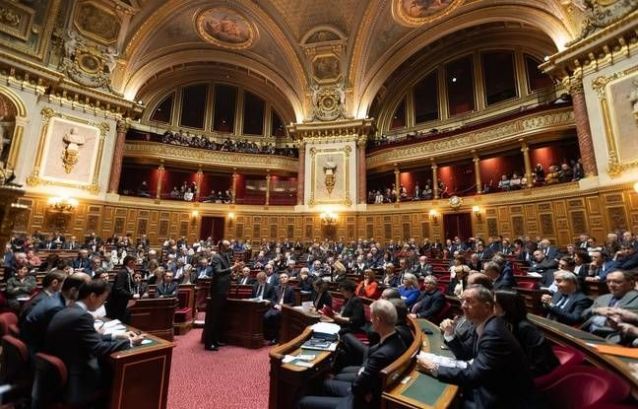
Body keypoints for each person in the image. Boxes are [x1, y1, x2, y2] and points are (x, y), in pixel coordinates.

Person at [417, 286, 538, 409]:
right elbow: (468, 356)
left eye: (469, 301)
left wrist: (434, 368)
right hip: (490, 386)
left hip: (503, 398)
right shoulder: (484, 325)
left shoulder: (493, 333)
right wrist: (449, 334)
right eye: (462, 301)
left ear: (486, 306)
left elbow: (474, 374)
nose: (463, 306)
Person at [43, 279, 143, 408]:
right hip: (75, 373)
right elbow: (97, 348)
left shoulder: (71, 308)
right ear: (92, 296)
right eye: (103, 298)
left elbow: (87, 337)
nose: (104, 302)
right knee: (116, 374)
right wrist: (129, 342)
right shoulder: (82, 316)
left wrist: (115, 335)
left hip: (59, 366)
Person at [298, 299, 407, 409]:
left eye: (372, 318)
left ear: (378, 320)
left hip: (358, 402)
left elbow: (357, 387)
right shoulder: (398, 340)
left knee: (303, 402)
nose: (370, 321)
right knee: (324, 384)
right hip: (365, 394)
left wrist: (362, 379)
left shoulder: (382, 355)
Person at [21, 273, 91, 356]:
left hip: (37, 342)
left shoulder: (57, 296)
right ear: (72, 290)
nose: (87, 295)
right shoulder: (56, 308)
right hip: (38, 351)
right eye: (85, 291)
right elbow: (60, 338)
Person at [494, 290, 559, 377]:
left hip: (536, 374)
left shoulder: (526, 328)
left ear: (506, 308)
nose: (490, 307)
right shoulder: (506, 322)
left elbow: (540, 363)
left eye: (495, 305)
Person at [202, 240, 243, 351]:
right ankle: (209, 343)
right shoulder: (216, 257)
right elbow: (218, 272)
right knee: (214, 317)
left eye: (229, 246)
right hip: (217, 291)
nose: (229, 248)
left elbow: (227, 273)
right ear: (221, 247)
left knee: (219, 317)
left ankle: (216, 340)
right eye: (227, 246)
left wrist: (234, 272)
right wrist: (232, 269)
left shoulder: (226, 256)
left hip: (225, 290)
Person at [582, 270, 638, 339]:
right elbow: (584, 314)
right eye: (608, 281)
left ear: (631, 284)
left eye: (617, 282)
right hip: (585, 334)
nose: (611, 285)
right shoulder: (602, 298)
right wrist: (596, 310)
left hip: (614, 340)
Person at [264, 272, 295, 343]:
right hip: (275, 307)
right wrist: (275, 305)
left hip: (285, 309)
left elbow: (293, 303)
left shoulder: (291, 289)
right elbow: (272, 300)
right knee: (266, 316)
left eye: (285, 277)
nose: (283, 278)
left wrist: (284, 306)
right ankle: (267, 337)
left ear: (288, 279)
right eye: (281, 277)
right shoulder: (276, 288)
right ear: (279, 279)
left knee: (275, 316)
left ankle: (275, 338)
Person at [106, 255, 136, 323]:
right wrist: (131, 295)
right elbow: (118, 289)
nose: (136, 264)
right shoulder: (122, 272)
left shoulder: (128, 272)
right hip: (118, 305)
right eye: (135, 262)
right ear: (130, 262)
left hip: (124, 303)